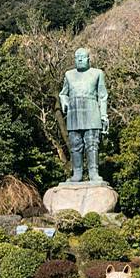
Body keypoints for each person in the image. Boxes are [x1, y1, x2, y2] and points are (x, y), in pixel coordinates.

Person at [59, 48, 109, 182]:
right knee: (75, 144)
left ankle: (93, 172)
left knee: (92, 144)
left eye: (82, 57)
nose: (80, 59)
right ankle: (77, 172)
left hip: (92, 112)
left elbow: (102, 96)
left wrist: (104, 115)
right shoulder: (69, 74)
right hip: (74, 113)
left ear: (88, 59)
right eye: (77, 57)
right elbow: (63, 93)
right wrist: (64, 101)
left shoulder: (97, 73)